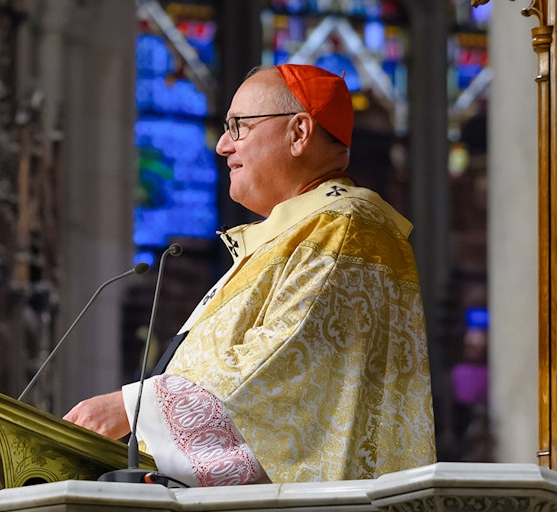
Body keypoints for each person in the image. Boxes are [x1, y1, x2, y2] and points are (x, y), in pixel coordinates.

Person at [64, 64, 435, 486]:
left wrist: (133, 408)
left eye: (238, 127)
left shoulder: (346, 229)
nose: (223, 145)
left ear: (298, 133)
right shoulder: (290, 235)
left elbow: (280, 365)